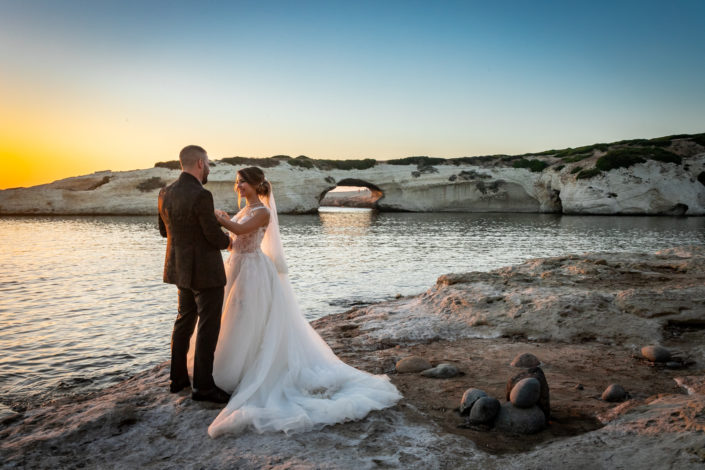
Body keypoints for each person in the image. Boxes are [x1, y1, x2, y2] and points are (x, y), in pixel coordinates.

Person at [201, 166, 401, 437]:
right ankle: (231, 371)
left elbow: (238, 229)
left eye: (243, 183)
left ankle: (250, 373)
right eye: (237, 182)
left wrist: (217, 216)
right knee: (233, 319)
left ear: (256, 185)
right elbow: (234, 240)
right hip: (237, 267)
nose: (238, 187)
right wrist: (223, 227)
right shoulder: (244, 210)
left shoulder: (261, 212)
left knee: (250, 319)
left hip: (253, 271)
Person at [158, 145, 231, 404]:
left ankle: (177, 380)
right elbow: (214, 238)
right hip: (206, 273)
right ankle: (203, 387)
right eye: (208, 163)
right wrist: (228, 239)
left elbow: (164, 232)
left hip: (179, 269)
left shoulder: (164, 192)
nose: (209, 168)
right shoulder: (202, 195)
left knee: (183, 322)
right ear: (200, 163)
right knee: (208, 327)